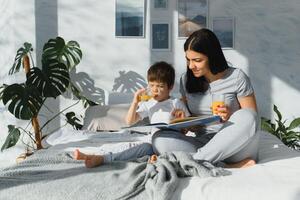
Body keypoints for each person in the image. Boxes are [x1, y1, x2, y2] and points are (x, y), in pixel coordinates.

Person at [152, 28, 260, 168]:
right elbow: (189, 123)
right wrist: (181, 120)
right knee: (159, 139)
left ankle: (190, 164)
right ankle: (218, 164)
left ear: (212, 56)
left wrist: (230, 115)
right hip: (204, 143)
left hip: (235, 145)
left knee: (248, 116)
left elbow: (252, 120)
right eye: (188, 60)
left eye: (197, 60)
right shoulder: (186, 80)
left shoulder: (237, 77)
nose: (191, 66)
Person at [74, 61, 190, 168]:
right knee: (132, 147)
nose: (155, 90)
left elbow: (190, 127)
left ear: (170, 87)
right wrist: (135, 102)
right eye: (152, 85)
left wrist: (182, 123)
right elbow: (129, 121)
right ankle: (98, 157)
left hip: (172, 142)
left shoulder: (176, 103)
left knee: (149, 149)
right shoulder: (149, 104)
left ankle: (157, 158)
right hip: (154, 142)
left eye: (160, 86)